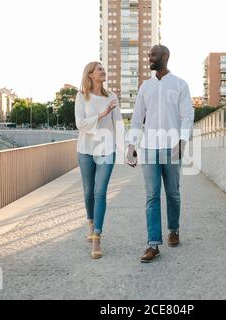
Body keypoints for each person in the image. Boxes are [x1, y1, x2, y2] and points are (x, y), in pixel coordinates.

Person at [127, 45, 194, 263]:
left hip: (172, 147)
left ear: (165, 56)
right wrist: (131, 145)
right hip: (148, 148)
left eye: (153, 55)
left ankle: (173, 229)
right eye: (149, 55)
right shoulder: (145, 87)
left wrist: (182, 142)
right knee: (152, 195)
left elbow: (186, 116)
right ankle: (153, 244)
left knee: (173, 193)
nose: (150, 58)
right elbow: (137, 118)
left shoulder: (180, 85)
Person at [75, 61, 123, 259]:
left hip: (106, 149)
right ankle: (91, 222)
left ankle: (97, 236)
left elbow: (118, 124)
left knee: (100, 191)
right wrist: (102, 114)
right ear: (91, 75)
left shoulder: (112, 97)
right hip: (85, 149)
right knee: (89, 192)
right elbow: (80, 123)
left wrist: (127, 150)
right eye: (100, 69)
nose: (103, 72)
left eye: (104, 69)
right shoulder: (81, 96)